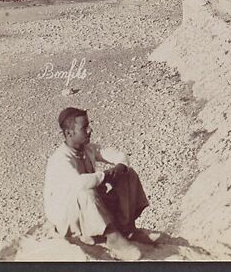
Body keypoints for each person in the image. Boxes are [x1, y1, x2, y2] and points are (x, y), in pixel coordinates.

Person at [44, 107, 151, 260]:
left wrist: (120, 167)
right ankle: (112, 238)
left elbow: (120, 156)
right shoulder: (60, 159)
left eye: (89, 125)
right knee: (85, 191)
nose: (90, 130)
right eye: (84, 127)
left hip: (89, 205)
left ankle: (126, 228)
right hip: (67, 216)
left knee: (128, 174)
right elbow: (79, 183)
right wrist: (104, 175)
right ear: (69, 133)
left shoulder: (88, 149)